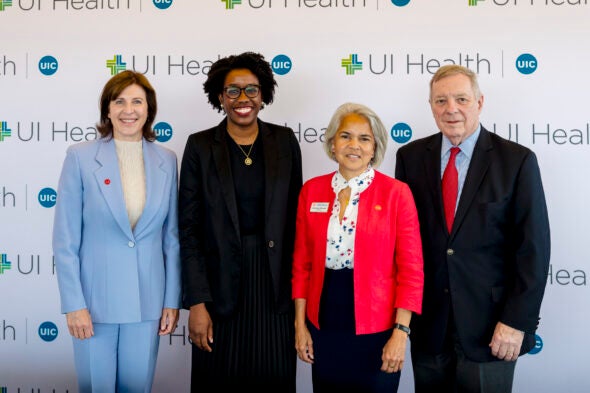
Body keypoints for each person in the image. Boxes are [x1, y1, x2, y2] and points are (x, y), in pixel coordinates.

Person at [395, 64, 551, 393]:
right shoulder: (409, 158)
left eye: (461, 99)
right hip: (429, 327)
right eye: (440, 101)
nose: (450, 109)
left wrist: (516, 322)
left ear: (480, 102)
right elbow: (403, 243)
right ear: (431, 106)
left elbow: (533, 250)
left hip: (493, 329)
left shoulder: (517, 160)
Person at [178, 51, 302, 392]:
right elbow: (188, 231)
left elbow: (296, 225)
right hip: (219, 292)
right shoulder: (200, 146)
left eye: (251, 89)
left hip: (274, 287)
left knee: (273, 378)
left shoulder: (285, 141)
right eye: (233, 90)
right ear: (220, 96)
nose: (242, 99)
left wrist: (299, 303)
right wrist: (197, 304)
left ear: (263, 95)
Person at [52, 70, 181, 392]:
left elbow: (172, 239)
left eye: (137, 101)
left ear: (149, 109)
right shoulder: (80, 158)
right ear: (106, 110)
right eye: (119, 101)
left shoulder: (167, 159)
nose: (129, 110)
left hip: (147, 303)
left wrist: (171, 300)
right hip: (94, 306)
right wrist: (73, 304)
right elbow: (65, 240)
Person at [292, 102, 424, 393]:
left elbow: (412, 271)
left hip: (378, 328)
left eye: (364, 138)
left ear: (375, 147)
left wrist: (400, 333)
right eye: (346, 136)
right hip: (323, 323)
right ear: (333, 143)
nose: (354, 145)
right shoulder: (312, 190)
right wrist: (300, 326)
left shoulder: (396, 194)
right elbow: (301, 265)